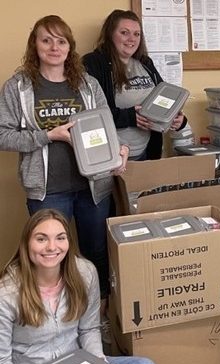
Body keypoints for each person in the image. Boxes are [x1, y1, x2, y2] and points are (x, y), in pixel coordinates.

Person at [0, 15, 127, 321]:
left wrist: (119, 151)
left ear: (70, 47)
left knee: (96, 252)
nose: (54, 47)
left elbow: (106, 129)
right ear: (35, 45)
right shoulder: (19, 87)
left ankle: (97, 319)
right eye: (46, 40)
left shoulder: (87, 84)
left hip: (92, 187)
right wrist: (48, 135)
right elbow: (3, 135)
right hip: (47, 190)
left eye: (61, 41)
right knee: (49, 258)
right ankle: (52, 321)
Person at [0, 208, 156, 364]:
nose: (52, 247)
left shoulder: (85, 272)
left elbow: (89, 329)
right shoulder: (6, 293)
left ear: (68, 241)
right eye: (41, 239)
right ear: (26, 243)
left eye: (60, 238)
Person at [83, 9, 187, 161]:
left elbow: (164, 96)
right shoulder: (94, 63)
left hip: (146, 152)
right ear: (110, 34)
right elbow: (88, 112)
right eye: (124, 32)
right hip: (113, 154)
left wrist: (177, 118)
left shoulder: (145, 62)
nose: (131, 39)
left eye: (136, 34)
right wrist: (129, 117)